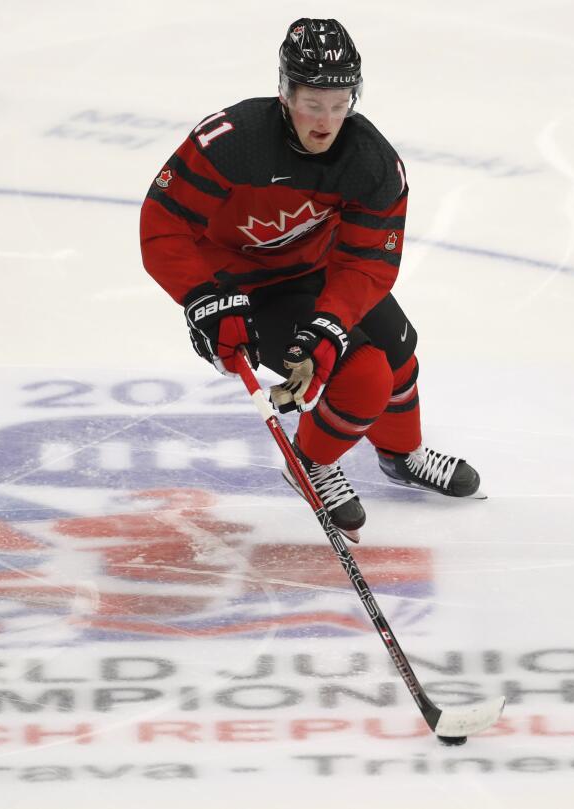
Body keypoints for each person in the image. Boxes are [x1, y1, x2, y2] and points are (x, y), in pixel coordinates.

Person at [139, 18, 480, 541]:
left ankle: (401, 455)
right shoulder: (233, 142)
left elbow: (367, 262)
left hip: (315, 273)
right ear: (285, 93)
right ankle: (312, 463)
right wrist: (204, 299)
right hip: (242, 285)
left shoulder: (371, 163)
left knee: (398, 349)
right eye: (312, 103)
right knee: (363, 378)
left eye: (340, 103)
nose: (326, 120)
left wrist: (328, 324)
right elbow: (164, 225)